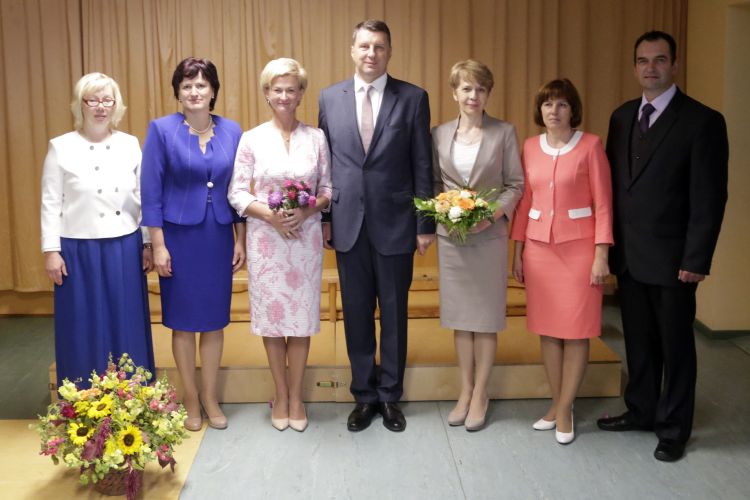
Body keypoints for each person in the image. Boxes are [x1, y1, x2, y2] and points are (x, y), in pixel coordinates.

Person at [596, 31, 728, 462]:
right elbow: (615, 188)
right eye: (643, 60)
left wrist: (697, 257)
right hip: (630, 257)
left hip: (675, 261)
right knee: (638, 341)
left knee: (676, 347)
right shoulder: (621, 117)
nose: (650, 68)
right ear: (634, 66)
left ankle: (674, 428)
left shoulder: (702, 121)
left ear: (674, 65)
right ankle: (642, 410)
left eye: (659, 59)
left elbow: (710, 197)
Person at [318, 19, 435, 432]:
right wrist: (326, 219)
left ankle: (389, 395)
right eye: (365, 46)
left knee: (395, 313)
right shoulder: (329, 98)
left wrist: (425, 223)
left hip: (397, 223)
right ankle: (364, 396)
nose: (372, 54)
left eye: (379, 47)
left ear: (389, 52)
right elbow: (324, 166)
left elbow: (423, 162)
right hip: (347, 223)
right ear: (353, 50)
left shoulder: (413, 97)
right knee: (355, 313)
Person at [141, 57, 246, 432]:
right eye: (187, 86)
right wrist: (158, 245)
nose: (194, 91)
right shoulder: (161, 130)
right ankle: (189, 398)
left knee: (214, 323)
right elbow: (150, 192)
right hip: (178, 238)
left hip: (218, 236)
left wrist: (241, 239)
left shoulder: (233, 131)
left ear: (213, 90)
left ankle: (211, 397)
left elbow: (238, 189)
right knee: (183, 324)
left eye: (201, 85)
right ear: (178, 92)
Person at [228, 58, 332, 432]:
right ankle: (281, 393)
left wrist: (307, 211)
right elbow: (237, 192)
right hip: (266, 241)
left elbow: (328, 189)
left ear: (301, 93)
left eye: (291, 89)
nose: (284, 96)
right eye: (277, 90)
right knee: (273, 324)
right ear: (267, 94)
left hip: (305, 240)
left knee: (300, 322)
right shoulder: (251, 138)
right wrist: (270, 215)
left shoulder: (316, 138)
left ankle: (297, 397)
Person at [511, 78, 613, 445]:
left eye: (562, 104)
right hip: (539, 251)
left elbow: (604, 203)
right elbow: (525, 202)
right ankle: (557, 403)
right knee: (549, 330)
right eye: (547, 104)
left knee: (577, 331)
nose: (554, 111)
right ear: (539, 111)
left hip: (580, 252)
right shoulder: (529, 146)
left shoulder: (591, 145)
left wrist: (601, 254)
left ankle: (566, 409)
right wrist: (518, 250)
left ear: (573, 110)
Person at [41, 72, 155, 387]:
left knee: (126, 319)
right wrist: (51, 250)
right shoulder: (60, 146)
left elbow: (142, 197)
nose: (101, 107)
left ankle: (134, 394)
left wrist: (147, 243)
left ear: (116, 105)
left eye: (107, 100)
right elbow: (50, 202)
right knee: (81, 322)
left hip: (124, 244)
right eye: (93, 100)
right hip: (77, 247)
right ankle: (80, 395)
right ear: (80, 104)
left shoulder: (130, 144)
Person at [431, 60, 524, 431]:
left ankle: (481, 392)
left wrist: (492, 214)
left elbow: (515, 184)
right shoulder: (438, 134)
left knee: (485, 320)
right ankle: (465, 390)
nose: (473, 95)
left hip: (489, 237)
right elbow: (433, 184)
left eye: (480, 89)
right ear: (454, 92)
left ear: (488, 94)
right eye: (466, 88)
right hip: (452, 238)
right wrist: (444, 210)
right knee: (460, 319)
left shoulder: (504, 132)